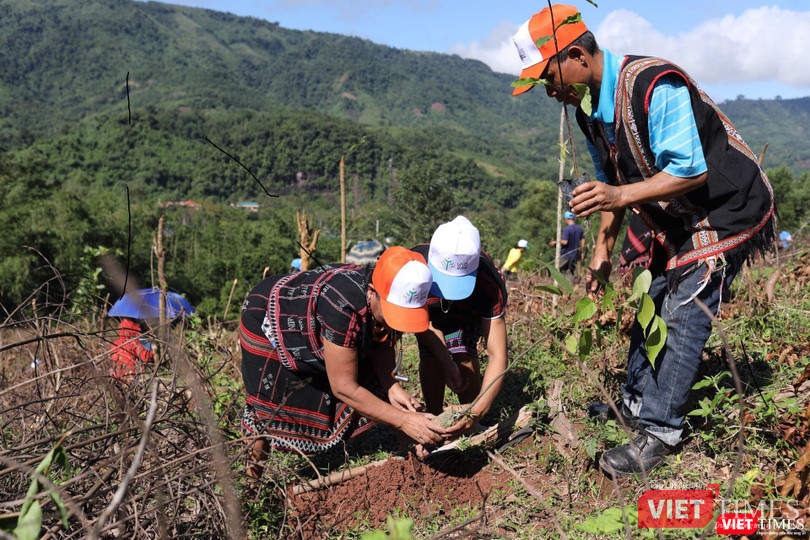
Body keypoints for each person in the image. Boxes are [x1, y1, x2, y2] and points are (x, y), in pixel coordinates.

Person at [511, 4, 776, 477]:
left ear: (577, 56)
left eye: (548, 78)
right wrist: (600, 258)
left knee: (685, 305)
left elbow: (689, 170)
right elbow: (606, 189)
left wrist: (620, 193)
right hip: (678, 216)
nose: (549, 93)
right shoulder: (592, 112)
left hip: (728, 203)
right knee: (652, 296)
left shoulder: (654, 84)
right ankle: (634, 405)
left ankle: (660, 435)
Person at [240, 246, 447, 478]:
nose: (397, 323)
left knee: (376, 381)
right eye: (394, 312)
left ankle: (413, 448)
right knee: (265, 406)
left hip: (324, 326)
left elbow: (381, 335)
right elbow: (344, 387)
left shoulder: (382, 298)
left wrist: (392, 386)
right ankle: (251, 484)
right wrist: (404, 421)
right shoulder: (342, 307)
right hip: (269, 318)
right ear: (372, 291)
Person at [411, 216, 509, 447]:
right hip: (428, 315)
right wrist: (445, 361)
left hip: (467, 313)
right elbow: (420, 323)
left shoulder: (489, 283)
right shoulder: (413, 268)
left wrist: (477, 412)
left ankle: (469, 423)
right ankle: (434, 419)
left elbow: (497, 354)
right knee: (431, 355)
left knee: (464, 353)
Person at [549, 211, 585, 280]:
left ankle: (553, 285)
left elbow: (565, 242)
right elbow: (583, 241)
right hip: (574, 255)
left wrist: (555, 242)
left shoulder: (567, 229)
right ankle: (568, 290)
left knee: (553, 270)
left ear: (566, 219)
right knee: (570, 273)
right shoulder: (580, 229)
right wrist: (582, 252)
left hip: (565, 254)